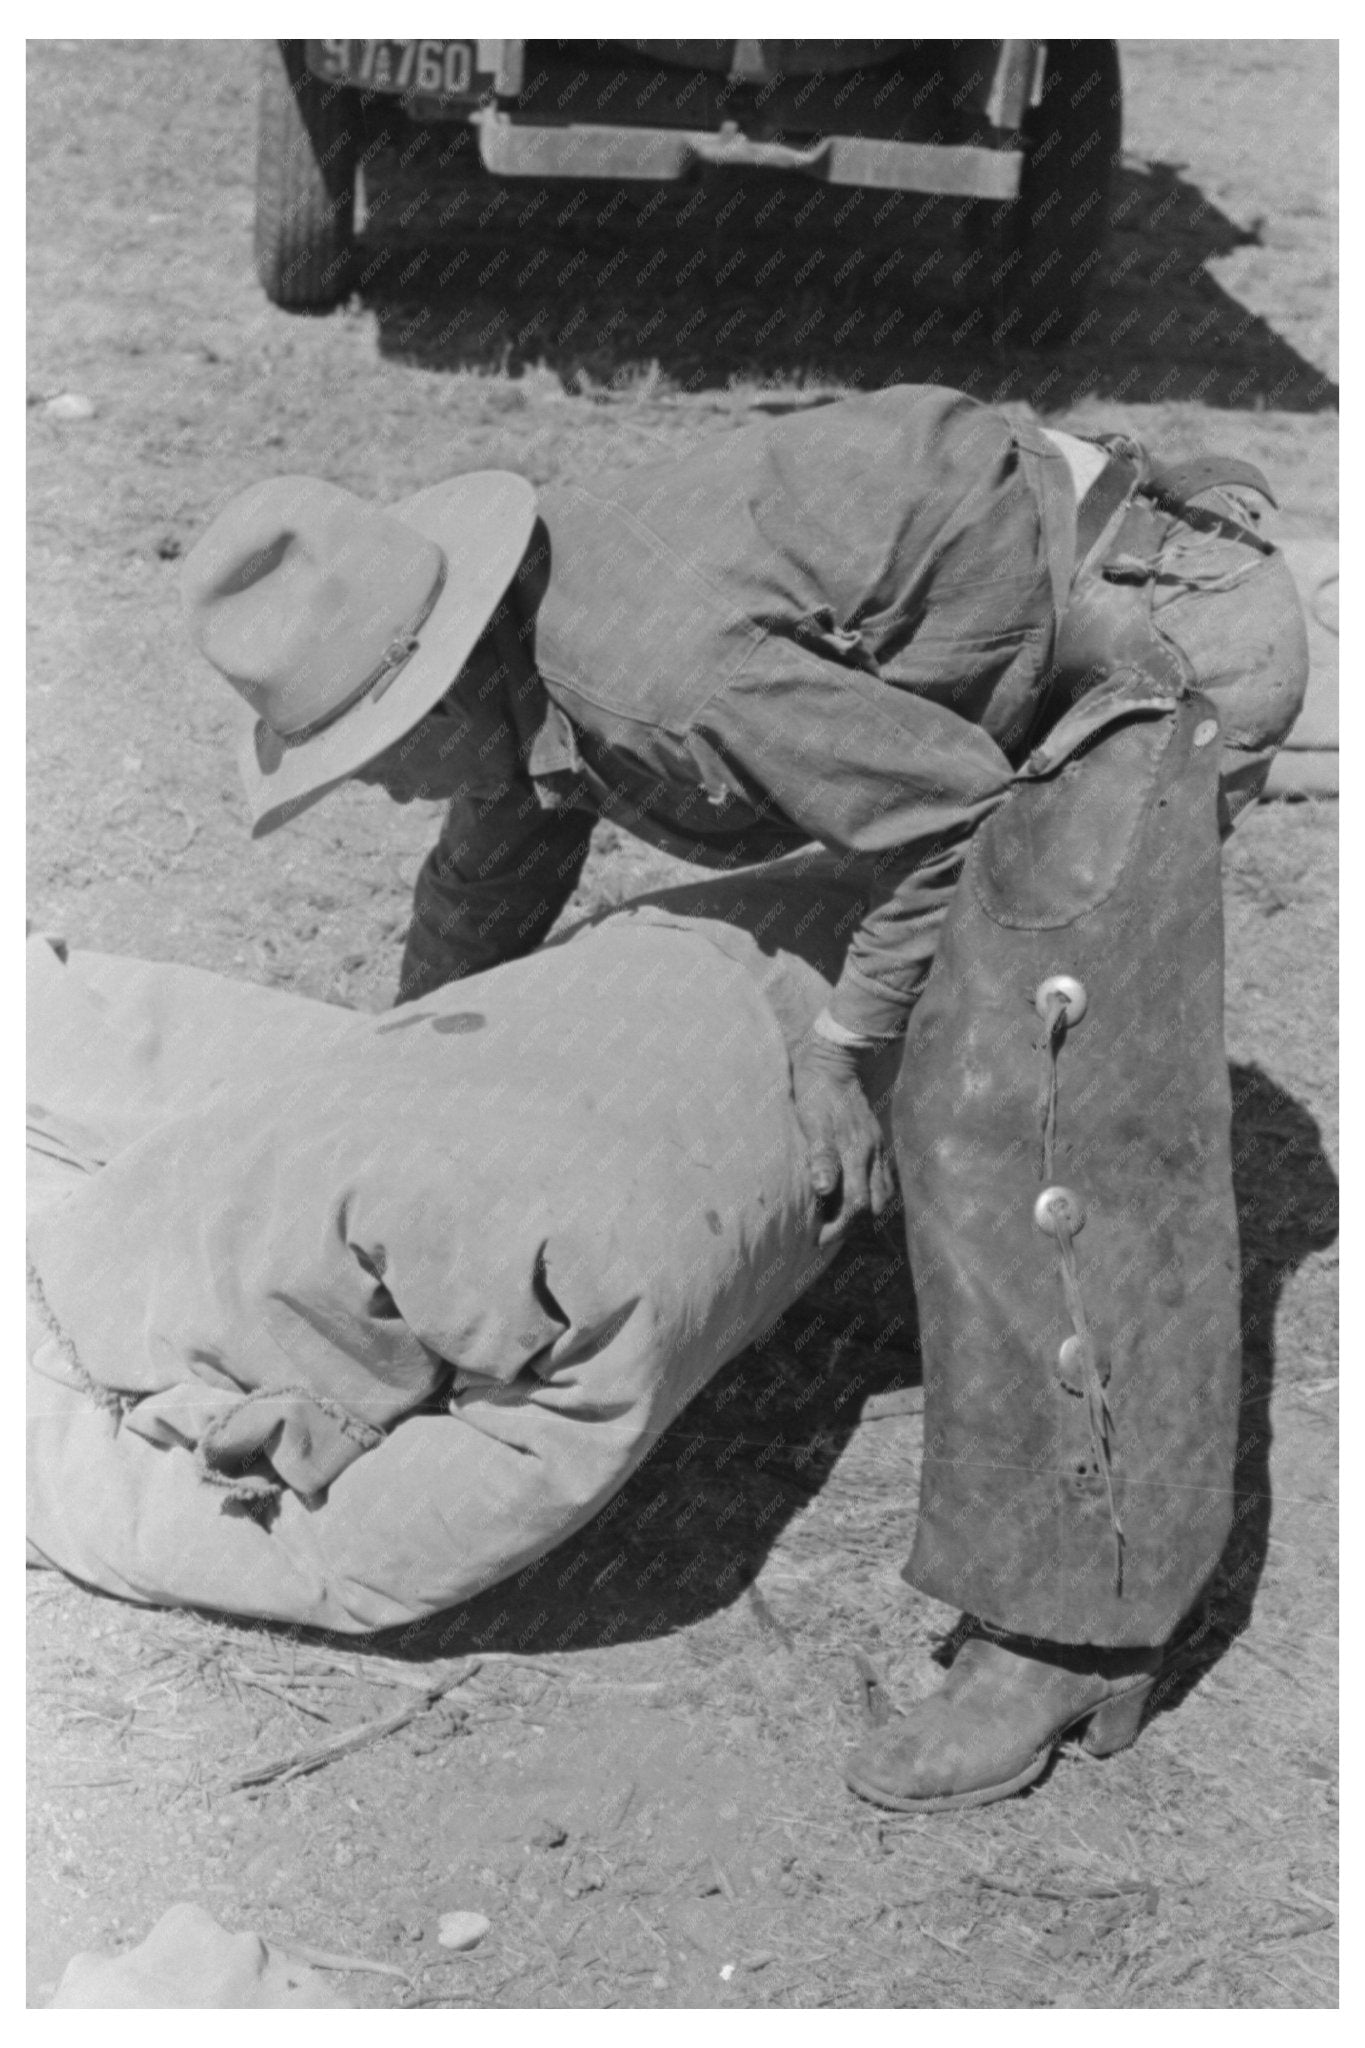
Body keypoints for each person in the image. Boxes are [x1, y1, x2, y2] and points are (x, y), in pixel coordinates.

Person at [182, 383, 1308, 1809]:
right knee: (925, 1031)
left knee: (1008, 1113)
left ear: (450, 682)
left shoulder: (658, 675)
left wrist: (841, 1052)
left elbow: (949, 815)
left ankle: (1069, 1633)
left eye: (381, 750)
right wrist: (397, 1068)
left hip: (1162, 645)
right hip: (1053, 619)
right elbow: (490, 865)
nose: (388, 790)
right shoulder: (530, 649)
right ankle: (974, 1347)